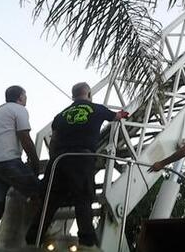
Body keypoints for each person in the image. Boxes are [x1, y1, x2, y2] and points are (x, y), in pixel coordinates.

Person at [26, 82, 128, 251]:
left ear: (73, 96)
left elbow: (54, 141)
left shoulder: (60, 115)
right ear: (88, 94)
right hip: (82, 158)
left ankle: (31, 239)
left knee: (50, 202)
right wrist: (123, 114)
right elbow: (117, 116)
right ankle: (87, 243)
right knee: (83, 198)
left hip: (59, 160)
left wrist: (54, 160)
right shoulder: (97, 109)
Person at [0, 85, 41, 250]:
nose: (26, 98)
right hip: (9, 159)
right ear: (19, 97)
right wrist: (34, 161)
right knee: (40, 193)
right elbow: (24, 136)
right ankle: (31, 233)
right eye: (25, 96)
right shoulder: (19, 110)